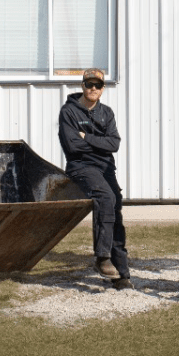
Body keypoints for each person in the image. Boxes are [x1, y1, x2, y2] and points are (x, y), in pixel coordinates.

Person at [58, 67, 132, 290]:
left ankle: (121, 274)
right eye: (89, 84)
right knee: (105, 197)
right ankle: (102, 258)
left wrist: (87, 137)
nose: (93, 88)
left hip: (106, 167)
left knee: (115, 209)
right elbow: (72, 145)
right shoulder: (68, 112)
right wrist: (99, 142)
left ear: (102, 89)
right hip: (81, 166)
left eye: (97, 85)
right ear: (82, 86)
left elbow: (114, 144)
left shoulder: (106, 113)